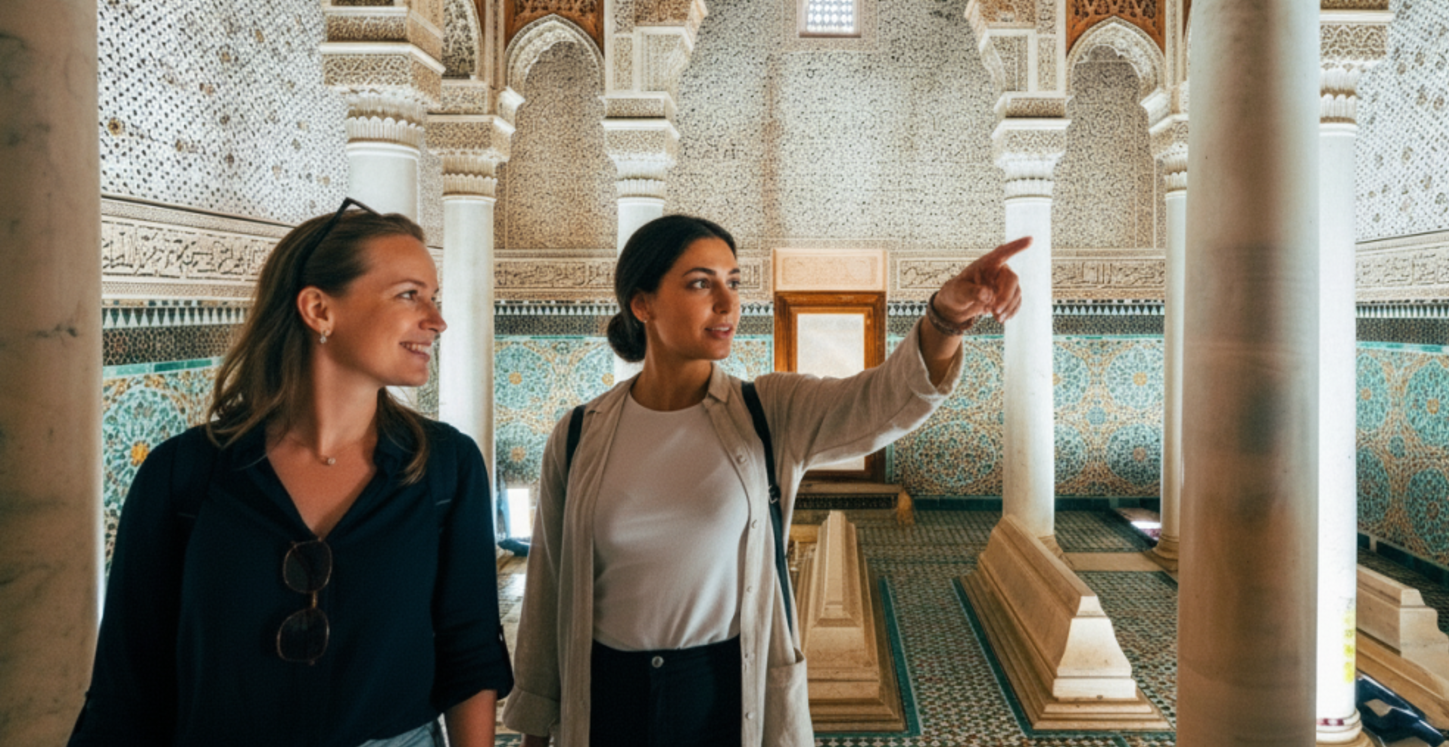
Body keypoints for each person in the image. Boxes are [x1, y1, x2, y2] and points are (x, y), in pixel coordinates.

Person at [503, 214, 1029, 746]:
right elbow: (549, 589)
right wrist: (534, 729)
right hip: (606, 697)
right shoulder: (577, 435)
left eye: (733, 282)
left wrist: (946, 318)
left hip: (723, 694)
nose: (728, 303)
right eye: (700, 283)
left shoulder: (766, 411)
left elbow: (883, 401)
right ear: (643, 305)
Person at [70, 200, 513, 747]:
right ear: (319, 310)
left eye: (434, 297)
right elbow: (127, 682)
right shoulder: (183, 476)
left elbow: (469, 651)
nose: (436, 320)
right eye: (409, 295)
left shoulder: (444, 469)